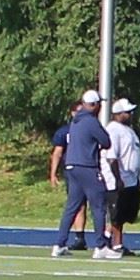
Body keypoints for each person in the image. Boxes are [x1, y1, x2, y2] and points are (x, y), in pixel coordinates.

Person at [51, 89, 118, 259]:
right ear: (94, 105)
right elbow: (106, 141)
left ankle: (59, 244)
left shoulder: (75, 121)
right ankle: (101, 245)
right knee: (98, 205)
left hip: (72, 167)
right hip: (87, 166)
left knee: (71, 207)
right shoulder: (91, 121)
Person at [103, 98, 140, 256]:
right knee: (117, 214)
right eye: (127, 112)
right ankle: (113, 242)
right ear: (118, 113)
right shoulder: (113, 130)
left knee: (127, 213)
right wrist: (117, 178)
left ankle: (111, 238)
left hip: (131, 178)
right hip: (120, 179)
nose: (130, 114)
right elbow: (112, 157)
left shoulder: (129, 130)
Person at [49, 102, 87, 250]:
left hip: (91, 170)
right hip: (73, 172)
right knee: (78, 204)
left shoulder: (91, 128)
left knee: (100, 205)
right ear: (72, 113)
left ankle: (105, 238)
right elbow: (57, 153)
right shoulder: (65, 131)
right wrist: (53, 174)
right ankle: (79, 237)